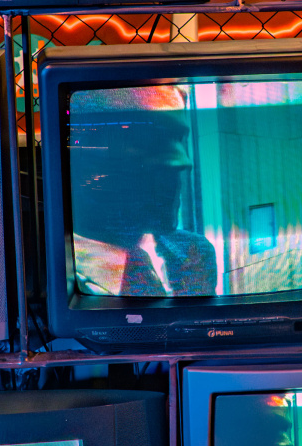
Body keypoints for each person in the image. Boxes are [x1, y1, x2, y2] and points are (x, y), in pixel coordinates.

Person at [66, 91, 218, 297]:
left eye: (178, 138)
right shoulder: (49, 271)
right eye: (148, 139)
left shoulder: (197, 252)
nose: (183, 162)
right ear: (85, 150)